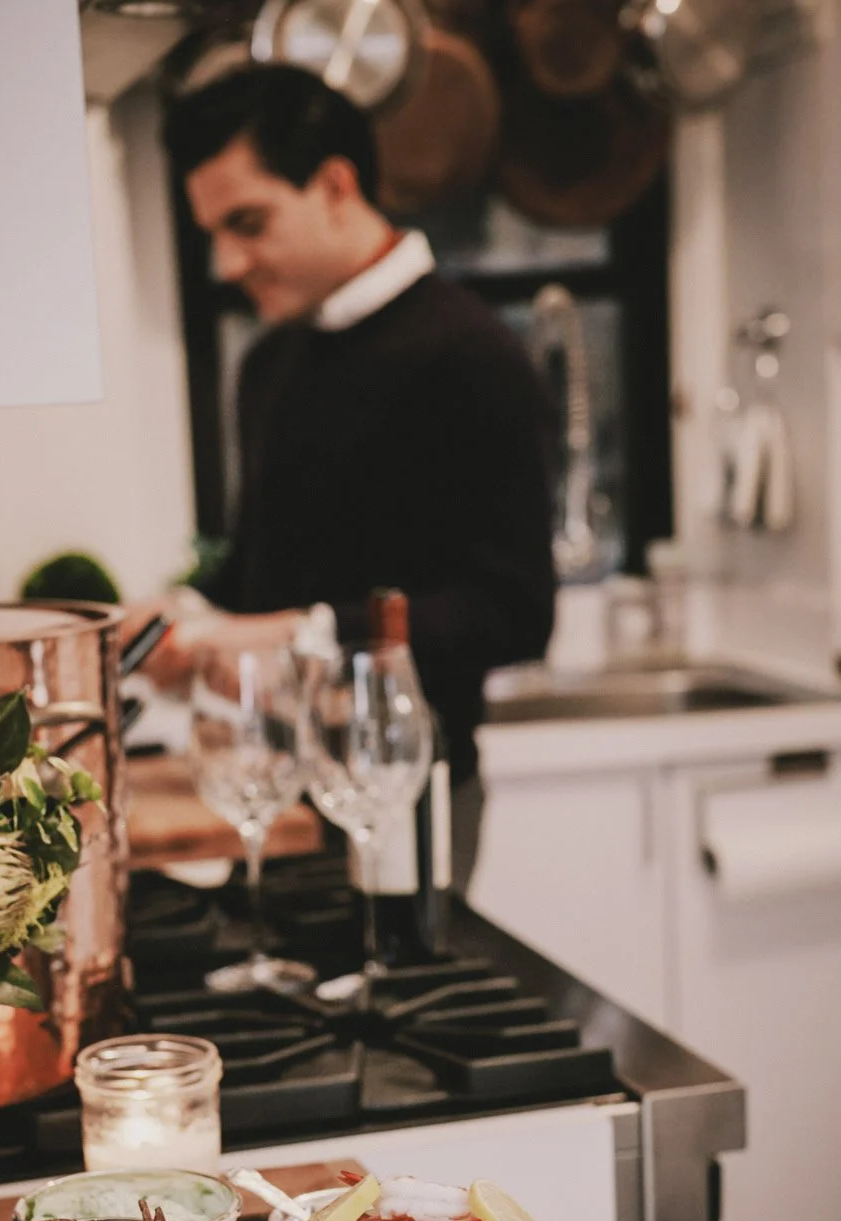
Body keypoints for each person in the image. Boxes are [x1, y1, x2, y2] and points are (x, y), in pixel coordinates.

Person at [143, 66, 556, 883]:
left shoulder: (469, 354)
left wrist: (303, 632)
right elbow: (265, 576)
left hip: (397, 793)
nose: (225, 263)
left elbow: (510, 613)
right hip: (277, 791)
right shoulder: (270, 362)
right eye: (212, 233)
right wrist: (179, 620)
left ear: (335, 184)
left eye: (248, 223)